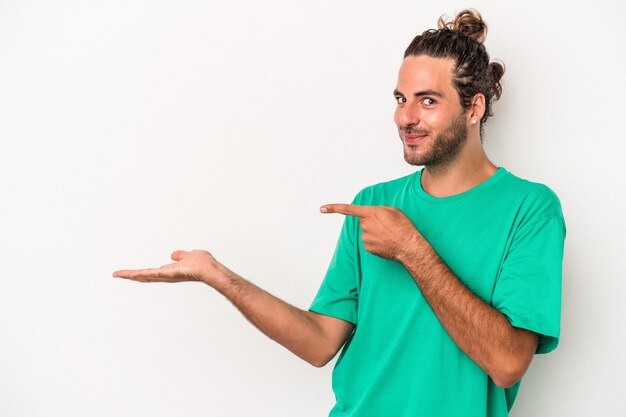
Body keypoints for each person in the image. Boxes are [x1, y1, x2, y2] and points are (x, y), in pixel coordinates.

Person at [113, 9, 565, 417]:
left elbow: (507, 363)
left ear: (474, 107)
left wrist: (411, 249)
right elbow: (318, 342)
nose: (405, 117)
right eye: (399, 98)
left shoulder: (530, 208)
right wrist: (219, 276)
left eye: (428, 100)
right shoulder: (372, 204)